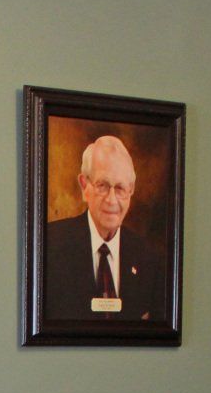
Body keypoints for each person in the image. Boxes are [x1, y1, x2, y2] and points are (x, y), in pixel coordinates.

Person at [43, 134, 164, 322]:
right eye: (103, 185)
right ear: (84, 186)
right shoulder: (49, 245)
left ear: (131, 190)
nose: (112, 199)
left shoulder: (149, 258)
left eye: (120, 188)